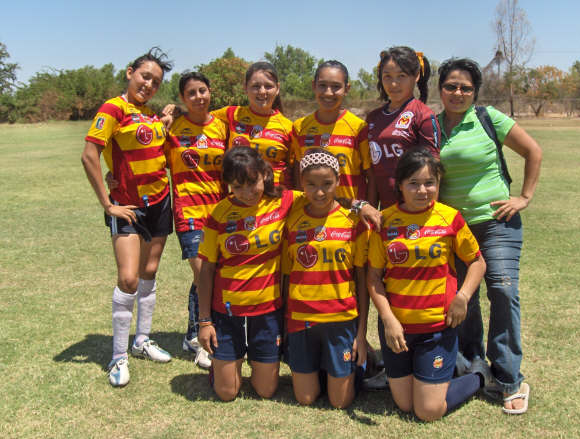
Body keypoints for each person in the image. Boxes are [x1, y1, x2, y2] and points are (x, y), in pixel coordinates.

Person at [196, 146, 380, 401]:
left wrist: (362, 205)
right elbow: (206, 270)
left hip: (268, 308)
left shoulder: (285, 200)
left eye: (252, 183)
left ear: (264, 174)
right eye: (237, 187)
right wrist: (204, 321)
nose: (247, 193)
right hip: (228, 309)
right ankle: (224, 367)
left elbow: (327, 195)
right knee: (227, 393)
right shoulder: (219, 214)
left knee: (266, 390)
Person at [437, 58, 542, 415]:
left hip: (497, 220)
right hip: (453, 228)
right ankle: (471, 363)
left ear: (475, 92)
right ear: (440, 89)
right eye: (451, 86)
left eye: (466, 87)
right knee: (463, 295)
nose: (458, 92)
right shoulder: (432, 127)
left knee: (502, 287)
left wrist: (524, 197)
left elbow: (533, 151)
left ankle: (509, 377)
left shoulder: (488, 118)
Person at [367, 148, 488, 421]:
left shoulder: (450, 218)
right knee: (405, 405)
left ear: (439, 183)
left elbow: (478, 262)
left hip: (436, 328)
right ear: (400, 185)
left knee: (428, 411)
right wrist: (388, 319)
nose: (422, 190)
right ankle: (432, 378)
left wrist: (463, 296)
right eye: (413, 183)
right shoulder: (384, 221)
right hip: (396, 330)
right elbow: (373, 277)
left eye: (429, 183)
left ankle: (479, 375)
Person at [81, 48, 174, 387]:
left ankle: (142, 340)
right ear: (130, 72)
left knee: (150, 272)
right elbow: (89, 154)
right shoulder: (113, 108)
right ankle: (118, 356)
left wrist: (165, 121)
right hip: (127, 206)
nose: (149, 84)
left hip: (161, 201)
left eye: (156, 81)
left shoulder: (149, 114)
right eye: (144, 76)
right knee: (129, 278)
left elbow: (155, 149)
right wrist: (108, 204)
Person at [282, 148, 369, 408]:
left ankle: (362, 363)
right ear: (301, 184)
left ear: (339, 182)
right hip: (301, 319)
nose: (319, 192)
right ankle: (326, 365)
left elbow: (362, 280)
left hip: (340, 318)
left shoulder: (352, 221)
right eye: (311, 184)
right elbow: (287, 276)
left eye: (327, 184)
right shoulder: (293, 217)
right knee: (305, 399)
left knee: (340, 402)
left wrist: (361, 333)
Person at [163, 72, 229, 369]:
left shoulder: (222, 127)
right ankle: (205, 341)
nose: (198, 97)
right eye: (191, 93)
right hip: (188, 212)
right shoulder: (172, 126)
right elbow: (150, 156)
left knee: (207, 276)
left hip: (219, 214)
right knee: (204, 274)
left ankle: (192, 334)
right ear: (182, 99)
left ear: (210, 92)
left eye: (203, 90)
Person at [366, 46, 441, 209]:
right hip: (385, 214)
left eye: (401, 76)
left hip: (416, 212)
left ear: (416, 76)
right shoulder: (372, 118)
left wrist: (432, 215)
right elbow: (373, 174)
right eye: (387, 76)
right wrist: (371, 210)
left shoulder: (424, 115)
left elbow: (434, 171)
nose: (393, 83)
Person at [291, 60, 375, 202]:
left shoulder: (359, 127)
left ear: (347, 89)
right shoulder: (300, 127)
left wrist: (369, 210)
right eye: (322, 85)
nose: (328, 93)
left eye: (336, 87)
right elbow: (298, 175)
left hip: (350, 216)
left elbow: (371, 177)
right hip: (313, 214)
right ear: (314, 86)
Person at [212, 62, 294, 188]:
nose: (262, 92)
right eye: (256, 86)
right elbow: (199, 117)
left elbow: (293, 168)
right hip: (242, 198)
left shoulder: (288, 127)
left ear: (277, 88)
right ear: (245, 87)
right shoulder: (232, 114)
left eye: (268, 86)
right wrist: (174, 112)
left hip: (275, 200)